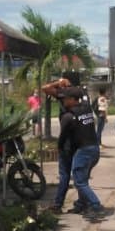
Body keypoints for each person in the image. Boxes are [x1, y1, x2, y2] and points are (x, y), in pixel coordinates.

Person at [56, 86, 105, 219]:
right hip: (94, 149)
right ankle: (81, 204)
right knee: (83, 180)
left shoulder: (68, 116)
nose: (63, 101)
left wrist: (59, 149)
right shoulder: (86, 108)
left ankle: (95, 206)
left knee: (79, 182)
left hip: (83, 151)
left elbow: (62, 138)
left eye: (65, 99)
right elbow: (83, 96)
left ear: (72, 99)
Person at [42, 78, 74, 214]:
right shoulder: (79, 95)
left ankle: (58, 204)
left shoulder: (64, 95)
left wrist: (57, 83)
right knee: (79, 177)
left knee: (65, 174)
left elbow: (45, 88)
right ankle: (83, 203)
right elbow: (44, 88)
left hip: (68, 140)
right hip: (77, 140)